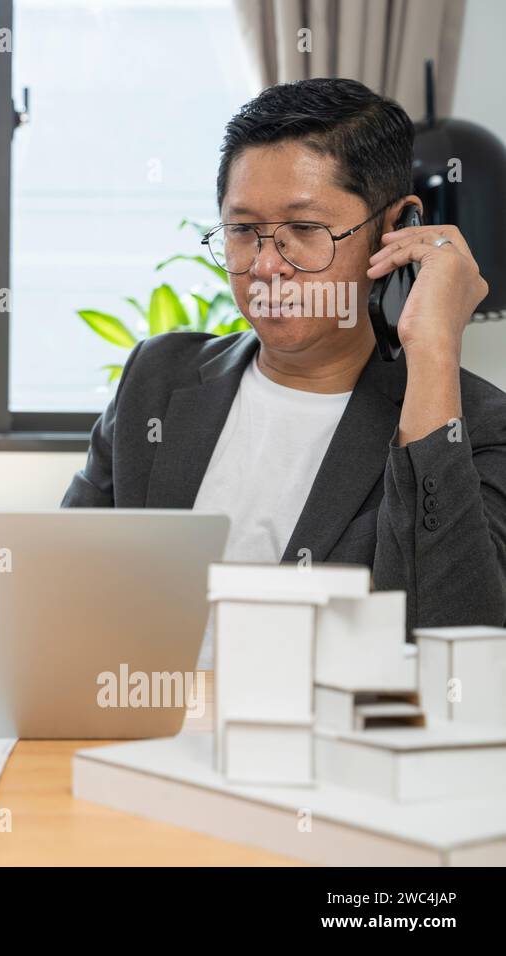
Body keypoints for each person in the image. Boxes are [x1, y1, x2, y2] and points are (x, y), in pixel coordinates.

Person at [62, 78, 506, 656]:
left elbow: (458, 648)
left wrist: (434, 350)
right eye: (243, 231)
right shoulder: (159, 377)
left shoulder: (476, 424)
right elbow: (63, 589)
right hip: (148, 737)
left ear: (396, 228)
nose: (267, 266)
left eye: (305, 231)